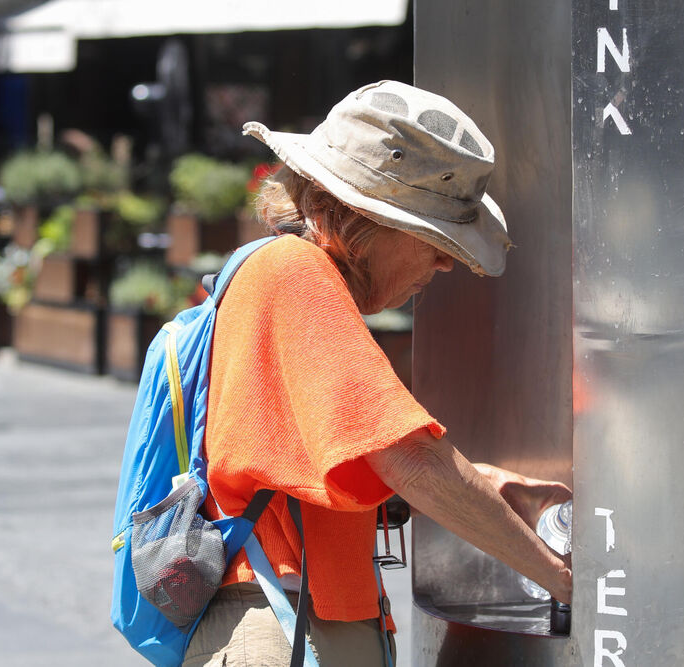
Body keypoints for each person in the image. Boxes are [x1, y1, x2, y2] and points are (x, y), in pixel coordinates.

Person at [184, 81, 572, 666]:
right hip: (285, 622)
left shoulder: (277, 276)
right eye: (430, 235)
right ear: (357, 218)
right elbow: (412, 459)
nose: (446, 260)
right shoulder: (297, 273)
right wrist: (566, 582)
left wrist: (485, 486)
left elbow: (318, 466)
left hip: (286, 617)